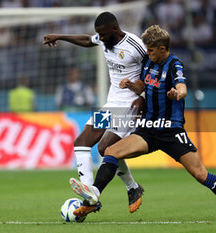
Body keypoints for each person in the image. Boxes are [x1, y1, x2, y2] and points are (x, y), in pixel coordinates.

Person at [69, 25, 216, 223]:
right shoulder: (147, 62)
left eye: (150, 50)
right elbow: (143, 84)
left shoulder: (173, 63)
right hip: (145, 128)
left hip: (170, 130)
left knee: (200, 174)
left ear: (162, 49)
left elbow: (182, 86)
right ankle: (95, 194)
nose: (147, 53)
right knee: (108, 150)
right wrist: (133, 87)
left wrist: (178, 93)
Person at [43, 12, 146, 213]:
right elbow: (87, 40)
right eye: (98, 34)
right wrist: (60, 36)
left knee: (106, 148)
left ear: (115, 29)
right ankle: (92, 195)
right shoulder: (103, 39)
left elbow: (153, 73)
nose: (101, 38)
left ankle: (123, 189)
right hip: (111, 105)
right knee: (82, 142)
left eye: (104, 34)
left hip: (129, 106)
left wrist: (143, 97)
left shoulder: (136, 46)